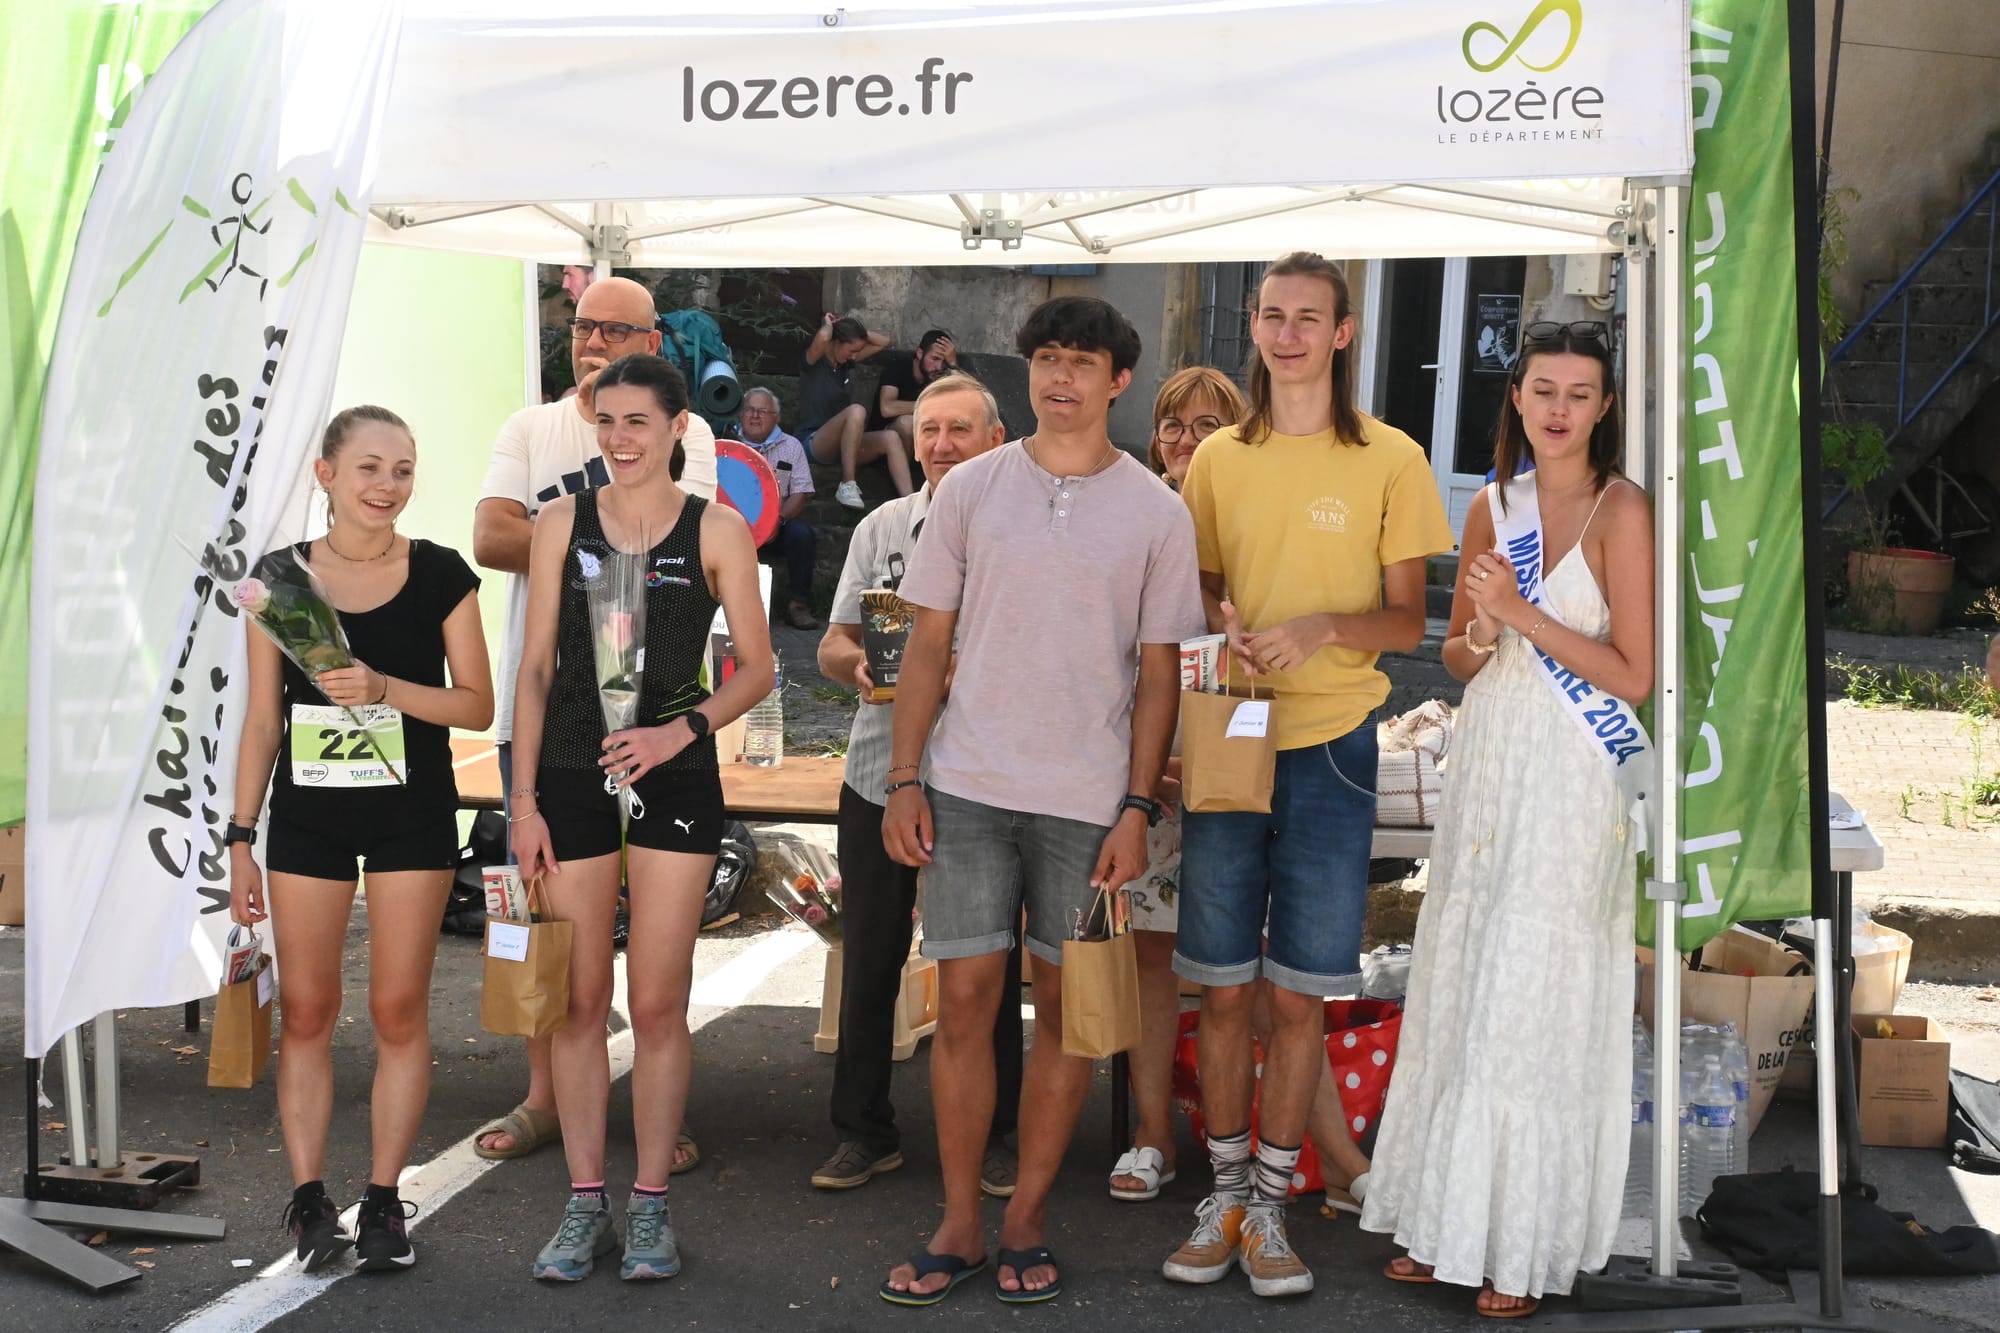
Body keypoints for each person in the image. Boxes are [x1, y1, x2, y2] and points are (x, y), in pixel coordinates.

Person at [879, 297, 1206, 1307]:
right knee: (966, 1004)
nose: (1060, 376)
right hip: (967, 787)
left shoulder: (1157, 509)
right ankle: (960, 1220)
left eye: (1083, 361)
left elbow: (1161, 674)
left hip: (1086, 801)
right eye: (1047, 358)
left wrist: (1137, 806)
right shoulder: (971, 487)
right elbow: (924, 645)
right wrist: (902, 778)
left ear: (1118, 381)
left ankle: (1025, 1215)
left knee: (1066, 1011)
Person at [1167, 252, 1454, 1299]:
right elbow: (1193, 592)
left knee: (1298, 993)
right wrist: (1225, 625)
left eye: (1308, 318)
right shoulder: (1215, 463)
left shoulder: (1390, 456)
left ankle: (1274, 1206)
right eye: (1271, 315)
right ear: (1254, 325)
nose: (1286, 333)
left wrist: (1322, 626)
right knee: (1223, 984)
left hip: (1334, 746)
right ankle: (1225, 1195)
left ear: (1342, 333)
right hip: (1229, 735)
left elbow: (1406, 619)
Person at [1362, 322, 1654, 1319]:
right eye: (1542, 389)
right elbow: (1453, 657)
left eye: (1578, 392)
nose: (1559, 408)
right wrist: (1483, 627)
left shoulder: (1623, 512)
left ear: (1603, 406)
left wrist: (1520, 614)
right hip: (1490, 759)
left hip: (1572, 772)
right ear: (1517, 398)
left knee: (1533, 984)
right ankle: (1437, 1217)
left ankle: (1516, 1243)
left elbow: (1633, 674)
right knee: (1467, 969)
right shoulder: (1492, 504)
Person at [511, 354, 773, 1283]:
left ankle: (651, 1202)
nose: (619, 438)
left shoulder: (717, 529)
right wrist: (523, 798)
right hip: (574, 775)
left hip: (674, 778)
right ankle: (586, 1201)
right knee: (581, 1000)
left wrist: (677, 733)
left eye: (637, 422)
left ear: (676, 431)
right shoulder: (557, 523)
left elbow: (758, 667)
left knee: (657, 1000)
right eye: (606, 421)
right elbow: (536, 668)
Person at [227, 406, 494, 1272]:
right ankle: (310, 1200)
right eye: (371, 467)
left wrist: (385, 685)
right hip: (308, 817)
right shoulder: (280, 581)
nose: (388, 486)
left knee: (396, 1010)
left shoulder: (442, 573)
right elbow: (263, 720)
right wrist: (239, 837)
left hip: (411, 813)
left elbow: (476, 705)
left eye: (405, 470)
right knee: (305, 1010)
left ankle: (384, 1199)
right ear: (327, 474)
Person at [471, 275, 717, 1170]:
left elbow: (692, 552)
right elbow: (487, 535)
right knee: (550, 944)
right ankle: (543, 1101)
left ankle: (655, 1127)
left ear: (656, 340)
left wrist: (576, 536)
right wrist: (571, 533)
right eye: (582, 326)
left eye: (617, 328)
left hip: (661, 728)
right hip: (552, 723)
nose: (595, 340)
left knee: (656, 987)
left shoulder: (700, 436)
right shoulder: (533, 428)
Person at [1120, 366, 1378, 1218]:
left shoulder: (1244, 516)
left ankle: (1329, 1153)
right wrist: (1140, 763)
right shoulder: (1140, 513)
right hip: (1154, 771)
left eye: (1206, 425)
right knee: (1157, 959)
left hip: (1248, 769)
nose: (1186, 442)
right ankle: (1154, 1132)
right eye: (1171, 426)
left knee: (1270, 979)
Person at [813, 373, 1024, 1197]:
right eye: (929, 428)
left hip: (983, 777)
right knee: (870, 956)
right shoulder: (882, 527)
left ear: (996, 438)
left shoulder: (1022, 532)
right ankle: (863, 1131)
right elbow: (832, 641)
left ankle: (997, 1133)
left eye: (959, 429)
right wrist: (857, 661)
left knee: (987, 964)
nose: (940, 444)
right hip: (879, 771)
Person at [800, 312, 911, 510]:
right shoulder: (814, 362)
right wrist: (831, 324)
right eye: (851, 350)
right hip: (814, 441)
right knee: (856, 411)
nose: (854, 356)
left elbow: (883, 341)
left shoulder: (846, 363)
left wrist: (855, 331)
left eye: (856, 352)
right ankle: (848, 485)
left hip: (845, 445)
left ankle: (911, 503)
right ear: (837, 342)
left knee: (891, 438)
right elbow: (824, 337)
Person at [738, 386, 819, 630]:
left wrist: (778, 520)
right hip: (732, 525)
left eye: (762, 411)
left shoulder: (792, 446)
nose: (754, 416)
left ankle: (798, 606)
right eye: (750, 410)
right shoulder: (727, 444)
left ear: (777, 417)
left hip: (776, 524)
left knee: (802, 534)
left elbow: (801, 492)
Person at [866, 329, 959, 449]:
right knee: (906, 422)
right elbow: (887, 408)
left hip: (919, 448)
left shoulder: (940, 375)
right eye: (935, 359)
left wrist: (953, 365)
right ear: (920, 354)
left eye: (945, 362)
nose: (939, 367)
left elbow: (957, 405)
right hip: (883, 443)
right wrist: (930, 405)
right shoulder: (898, 367)